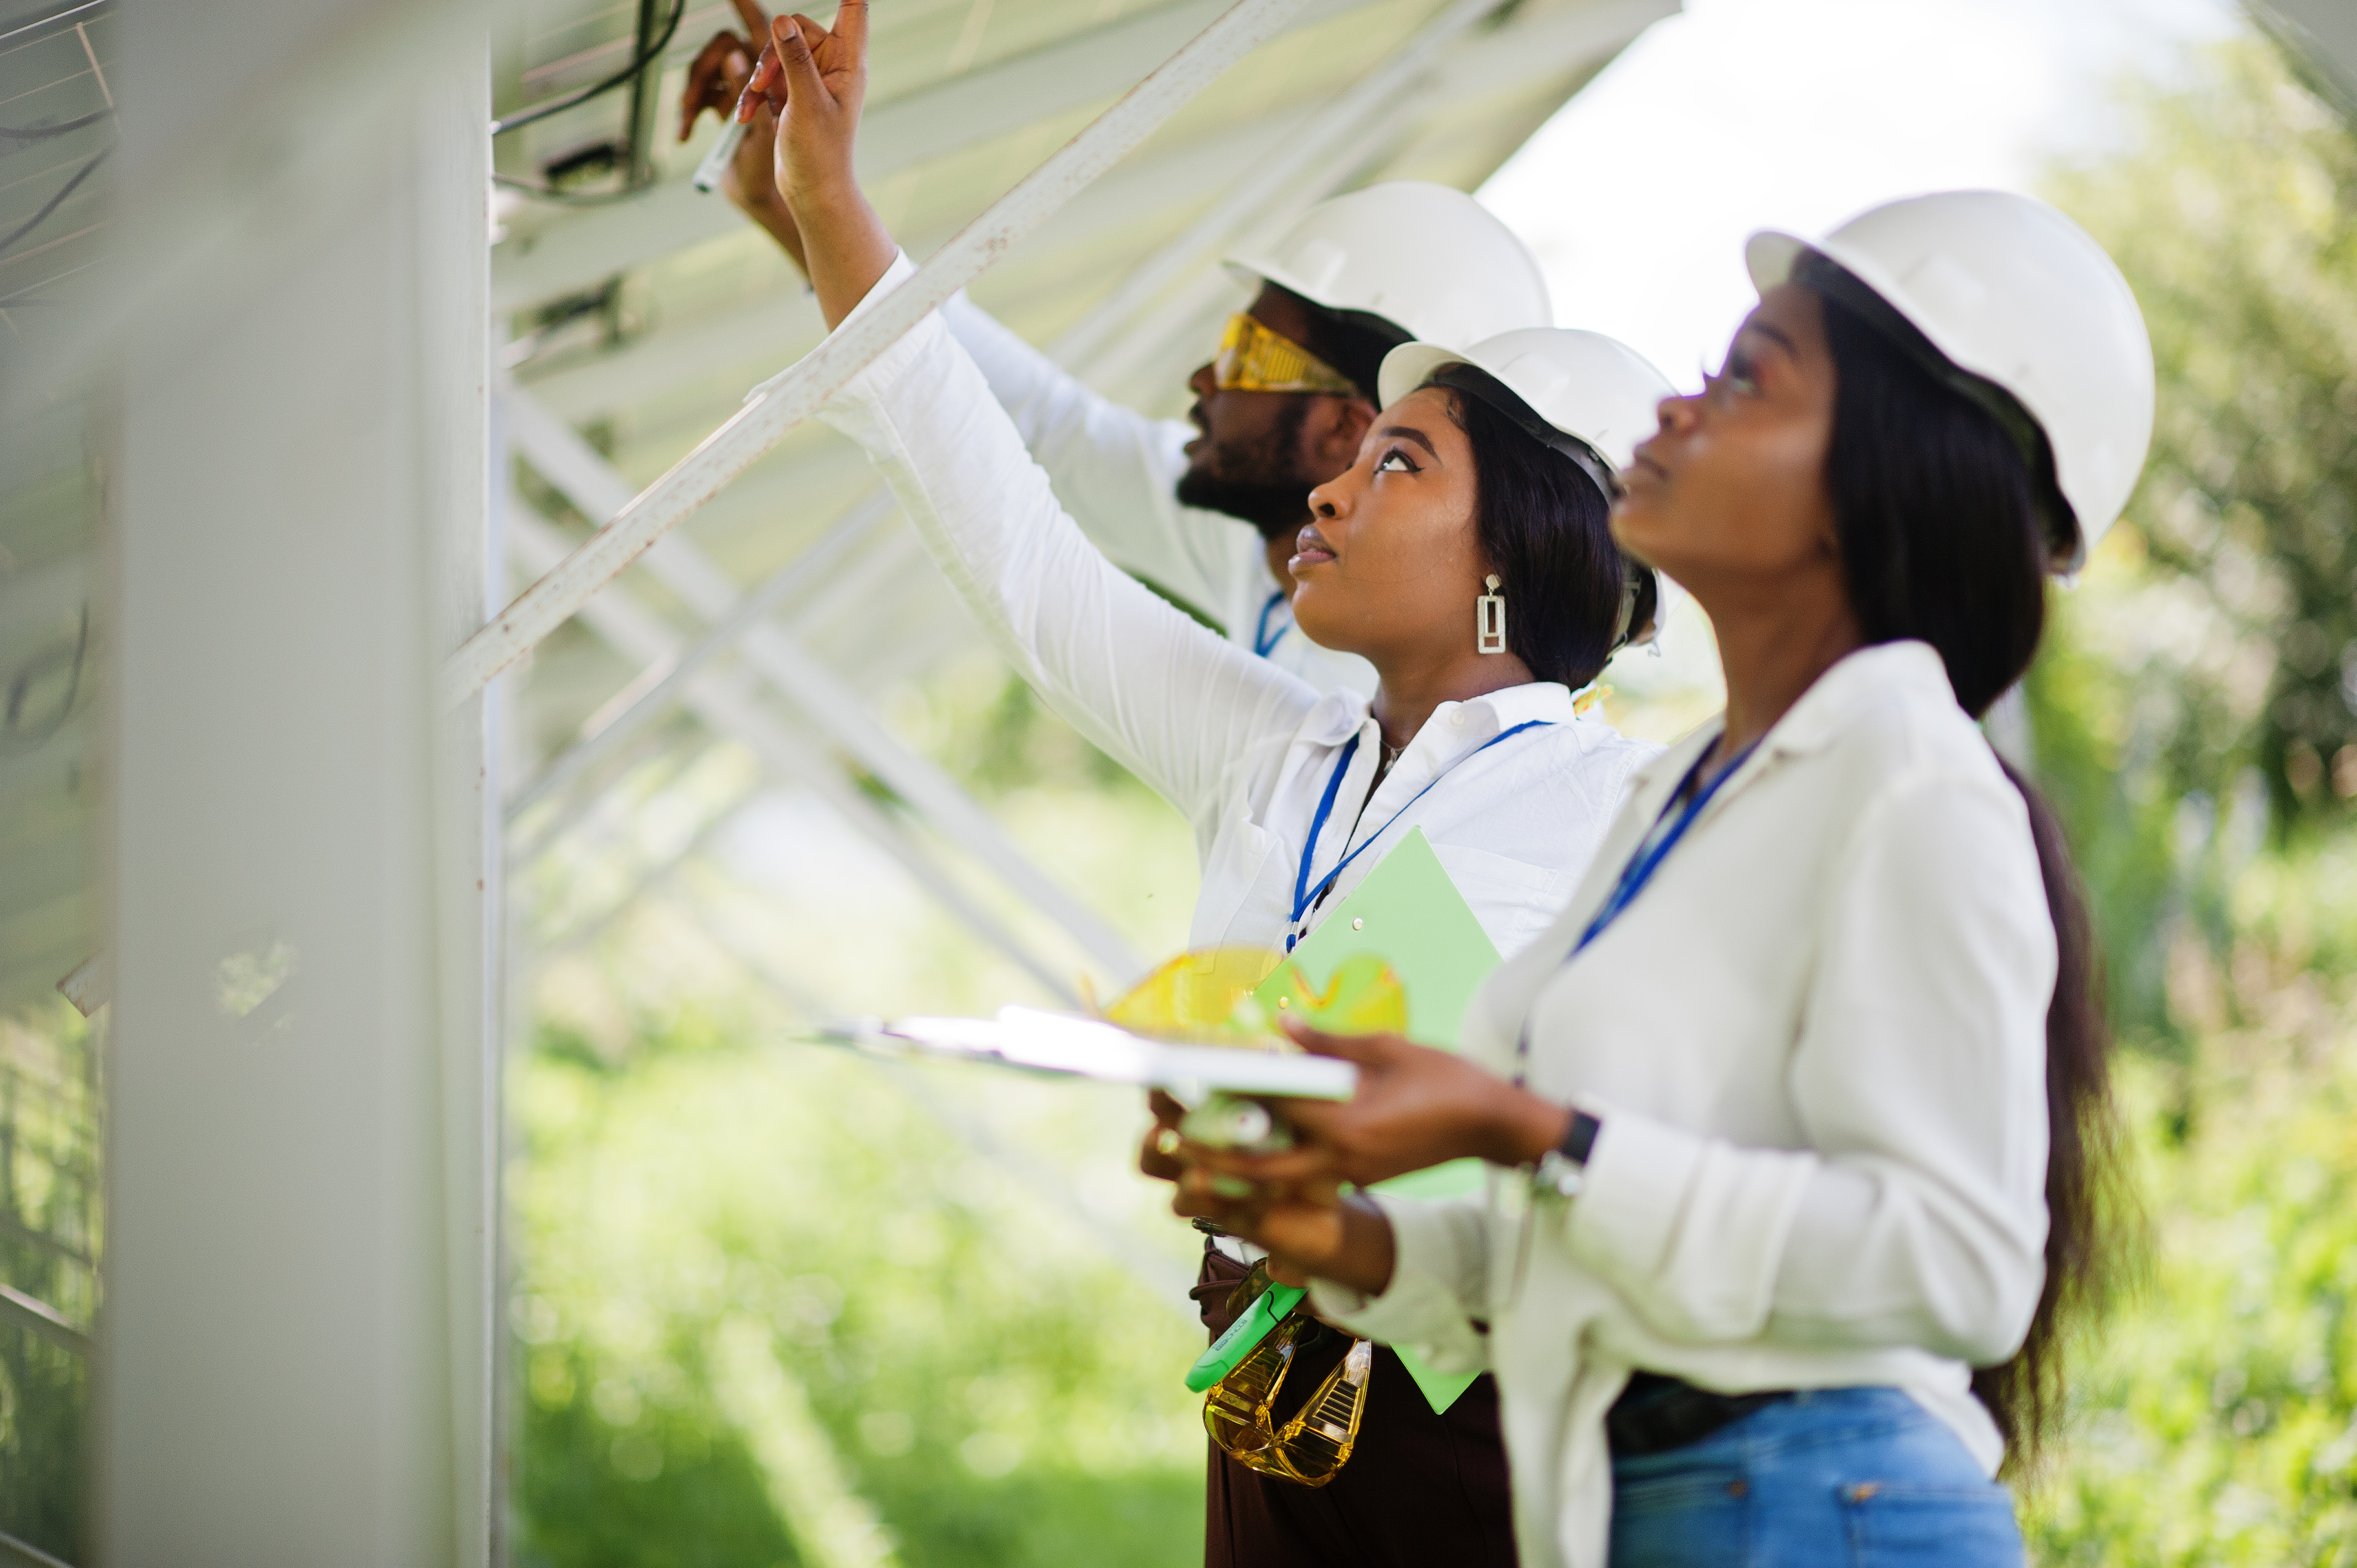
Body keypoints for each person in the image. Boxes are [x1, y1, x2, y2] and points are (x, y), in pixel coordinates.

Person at [728, 9, 1677, 1564]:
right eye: (1358, 453)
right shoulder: (1277, 746)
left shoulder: (1626, 818)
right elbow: (1028, 560)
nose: (1332, 483)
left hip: (1478, 1431)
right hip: (1259, 1381)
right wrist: (827, 204)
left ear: (1518, 553)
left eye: (1400, 466)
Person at [1170, 188, 2154, 1568]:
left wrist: (1528, 1133)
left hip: (1823, 1524)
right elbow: (1601, 1264)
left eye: (1748, 377)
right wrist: (1343, 1236)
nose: (1679, 404)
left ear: (1875, 482)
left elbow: (1957, 1266)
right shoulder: (1672, 801)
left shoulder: (1914, 786)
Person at [679, 2, 1561, 698]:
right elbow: (1046, 427)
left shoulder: (1368, 697)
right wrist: (797, 205)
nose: (1205, 379)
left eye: (1249, 354)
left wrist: (819, 200)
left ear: (1347, 430)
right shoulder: (1263, 561)